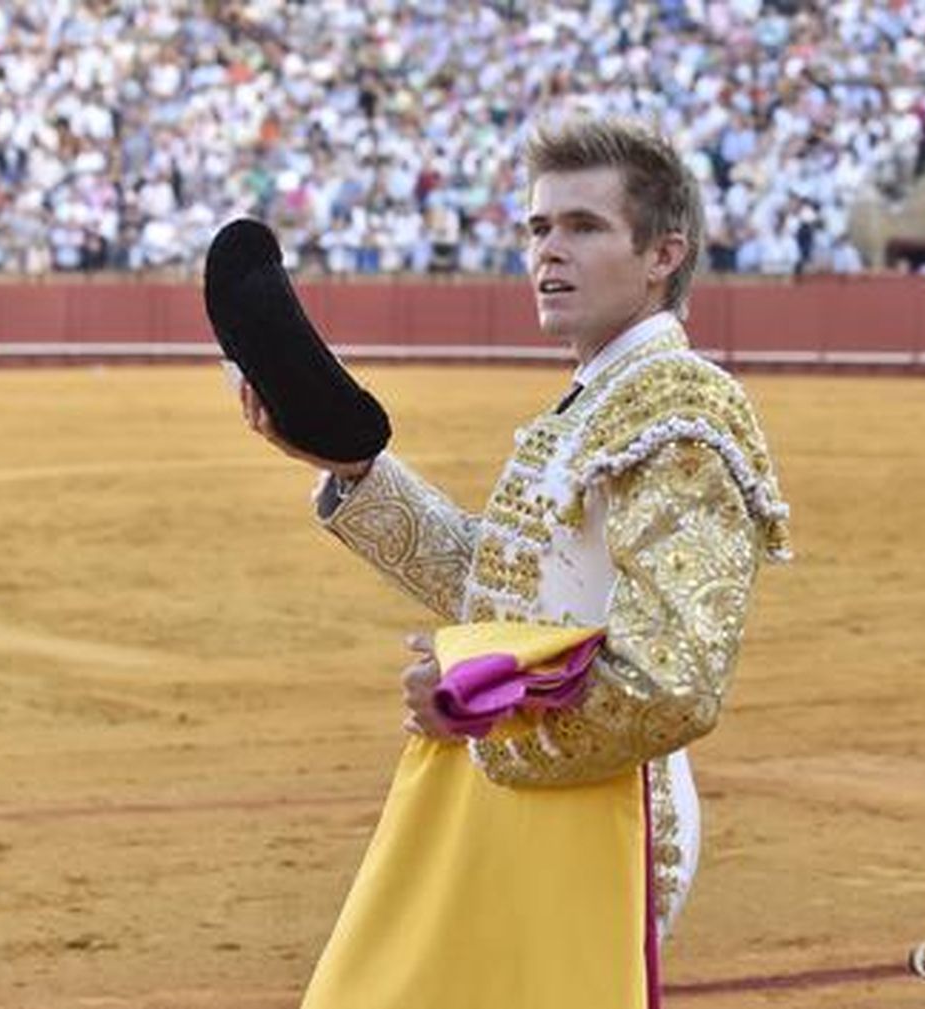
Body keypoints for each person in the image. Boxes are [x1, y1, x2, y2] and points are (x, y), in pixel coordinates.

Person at [240, 117, 791, 1009]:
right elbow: (504, 588)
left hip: (608, 819)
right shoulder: (602, 399)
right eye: (538, 228)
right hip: (545, 798)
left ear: (663, 255)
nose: (549, 251)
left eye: (583, 226)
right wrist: (357, 472)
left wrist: (482, 709)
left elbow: (673, 683)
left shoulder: (679, 407)